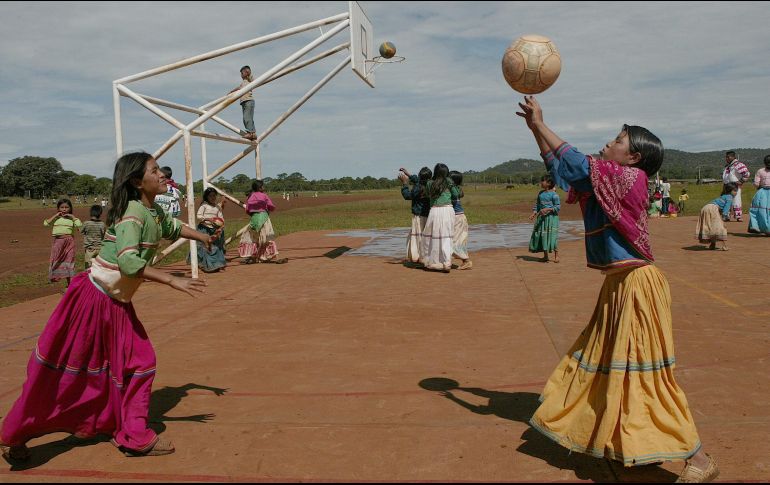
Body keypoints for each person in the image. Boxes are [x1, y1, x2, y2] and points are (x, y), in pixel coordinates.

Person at [516, 95, 718, 483]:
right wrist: (535, 131)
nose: (610, 142)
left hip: (638, 287)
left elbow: (576, 163)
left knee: (647, 375)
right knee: (613, 371)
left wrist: (542, 123)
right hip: (619, 287)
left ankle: (700, 458)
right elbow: (566, 174)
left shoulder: (630, 179)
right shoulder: (609, 178)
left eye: (619, 139)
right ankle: (631, 442)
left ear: (634, 157)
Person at [0, 151, 213, 461]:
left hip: (115, 303)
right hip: (92, 301)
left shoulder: (150, 211)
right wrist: (171, 280)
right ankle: (14, 435)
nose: (163, 175)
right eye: (155, 171)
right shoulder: (133, 215)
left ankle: (132, 433)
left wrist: (202, 237)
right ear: (138, 181)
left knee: (139, 364)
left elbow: (171, 227)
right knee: (61, 375)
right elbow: (128, 263)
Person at [420, 163, 460, 273]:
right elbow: (456, 194)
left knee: (433, 237)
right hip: (447, 210)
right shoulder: (449, 181)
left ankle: (434, 262)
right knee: (446, 237)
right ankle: (447, 262)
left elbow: (427, 194)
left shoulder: (429, 183)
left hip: (434, 211)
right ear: (446, 172)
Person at [238, 180, 287, 264]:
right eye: (263, 186)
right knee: (268, 237)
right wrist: (268, 209)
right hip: (264, 218)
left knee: (254, 238)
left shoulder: (250, 197)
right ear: (260, 187)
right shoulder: (264, 196)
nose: (264, 187)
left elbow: (247, 209)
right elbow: (271, 206)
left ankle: (253, 257)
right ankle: (275, 257)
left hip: (254, 219)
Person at [43, 198, 82, 288]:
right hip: (58, 242)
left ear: (70, 208)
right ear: (58, 208)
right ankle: (55, 277)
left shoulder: (72, 219)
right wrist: (55, 216)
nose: (64, 209)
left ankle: (70, 284)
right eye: (62, 207)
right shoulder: (56, 219)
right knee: (56, 259)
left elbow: (79, 225)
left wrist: (73, 217)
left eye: (66, 207)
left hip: (69, 241)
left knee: (69, 260)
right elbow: (46, 223)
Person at [398, 166, 431, 265]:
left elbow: (408, 196)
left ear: (420, 177)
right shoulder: (431, 185)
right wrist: (408, 174)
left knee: (417, 236)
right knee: (426, 235)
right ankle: (426, 255)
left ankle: (416, 256)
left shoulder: (418, 187)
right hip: (428, 215)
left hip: (418, 215)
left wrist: (404, 184)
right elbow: (417, 180)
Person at [189, 187, 227, 272]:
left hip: (214, 230)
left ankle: (217, 265)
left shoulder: (217, 207)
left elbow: (221, 218)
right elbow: (199, 216)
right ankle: (205, 265)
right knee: (205, 247)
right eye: (211, 196)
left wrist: (220, 226)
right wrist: (208, 219)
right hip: (204, 229)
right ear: (207, 197)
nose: (213, 197)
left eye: (214, 196)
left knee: (216, 247)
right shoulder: (204, 206)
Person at [528, 174, 560, 263]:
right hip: (542, 219)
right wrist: (534, 213)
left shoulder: (554, 195)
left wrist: (548, 209)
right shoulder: (540, 193)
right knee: (543, 236)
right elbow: (538, 205)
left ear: (549, 183)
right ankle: (545, 256)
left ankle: (557, 255)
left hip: (551, 219)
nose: (541, 182)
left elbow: (557, 207)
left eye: (543, 181)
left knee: (552, 236)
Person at [695, 183, 736, 250]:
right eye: (734, 191)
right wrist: (723, 219)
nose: (736, 192)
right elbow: (726, 209)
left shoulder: (723, 196)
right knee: (720, 227)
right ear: (730, 191)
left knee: (711, 226)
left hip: (705, 208)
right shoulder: (729, 197)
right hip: (713, 209)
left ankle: (712, 244)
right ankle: (724, 246)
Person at [449, 170, 472, 270]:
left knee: (455, 241)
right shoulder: (457, 189)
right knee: (454, 240)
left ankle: (466, 261)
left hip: (458, 218)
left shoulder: (453, 190)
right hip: (458, 217)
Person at [229, 65, 256, 140]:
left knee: (246, 117)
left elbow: (253, 79)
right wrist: (231, 92)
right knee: (248, 118)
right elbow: (238, 88)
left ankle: (250, 133)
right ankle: (253, 134)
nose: (241, 75)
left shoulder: (249, 80)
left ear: (247, 72)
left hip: (248, 101)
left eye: (242, 73)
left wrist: (249, 73)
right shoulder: (243, 83)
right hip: (244, 102)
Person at [722, 151, 750, 222]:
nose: (727, 158)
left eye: (728, 157)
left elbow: (746, 173)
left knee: (736, 200)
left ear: (733, 157)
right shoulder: (728, 166)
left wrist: (741, 181)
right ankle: (726, 216)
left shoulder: (738, 164)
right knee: (726, 201)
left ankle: (738, 216)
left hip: (734, 186)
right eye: (726, 157)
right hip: (726, 186)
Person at [748, 155, 770, 235]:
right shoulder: (760, 171)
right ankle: (759, 227)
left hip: (762, 191)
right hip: (762, 192)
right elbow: (756, 183)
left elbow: (756, 183)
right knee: (759, 210)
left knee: (762, 210)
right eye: (767, 163)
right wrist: (758, 186)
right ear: (765, 163)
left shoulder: (760, 171)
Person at [80, 204, 106, 270]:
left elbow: (81, 231)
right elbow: (103, 235)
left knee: (88, 267)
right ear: (100, 214)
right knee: (98, 266)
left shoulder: (86, 223)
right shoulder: (102, 224)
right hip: (99, 248)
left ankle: (89, 279)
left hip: (89, 249)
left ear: (91, 213)